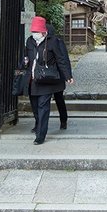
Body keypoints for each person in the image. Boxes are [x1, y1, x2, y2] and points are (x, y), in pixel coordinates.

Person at [24, 15, 74, 145]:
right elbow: (26, 58)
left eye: (37, 32)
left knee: (45, 105)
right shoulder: (30, 41)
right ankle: (38, 124)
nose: (35, 34)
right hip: (34, 79)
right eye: (33, 32)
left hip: (49, 79)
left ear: (44, 31)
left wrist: (67, 75)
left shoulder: (54, 42)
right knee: (35, 105)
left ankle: (41, 134)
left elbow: (62, 59)